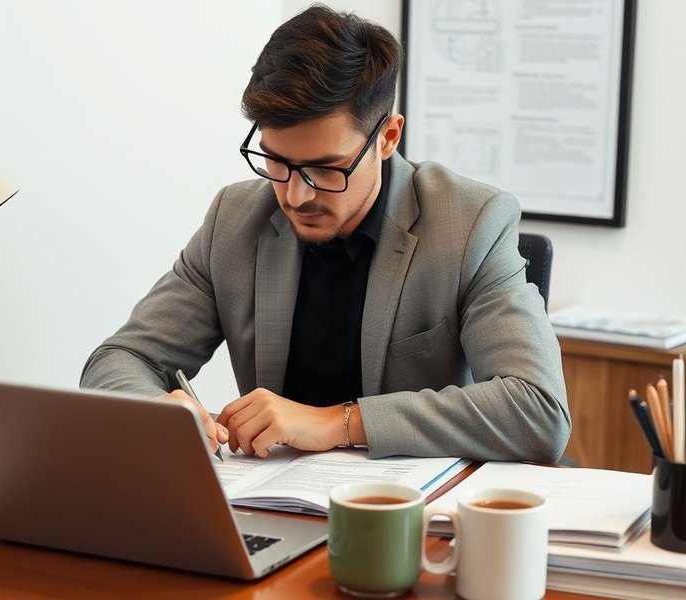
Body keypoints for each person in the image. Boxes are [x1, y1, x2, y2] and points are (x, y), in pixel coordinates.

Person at [81, 4, 570, 462]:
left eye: (325, 168)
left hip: (408, 518)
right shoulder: (234, 218)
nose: (295, 195)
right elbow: (119, 359)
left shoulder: (470, 222)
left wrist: (338, 422)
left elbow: (538, 410)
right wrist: (157, 409)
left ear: (388, 137)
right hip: (269, 506)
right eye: (276, 161)